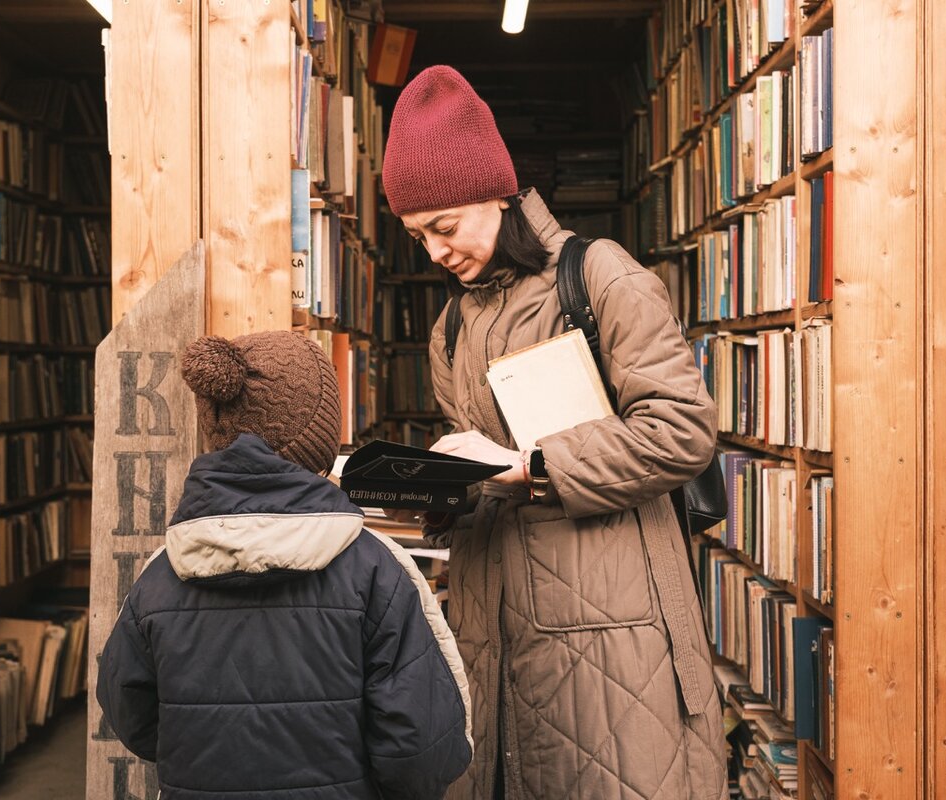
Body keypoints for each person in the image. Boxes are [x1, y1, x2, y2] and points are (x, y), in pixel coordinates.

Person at [380, 65, 728, 799]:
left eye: (444, 227)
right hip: (495, 637)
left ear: (500, 195)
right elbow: (490, 480)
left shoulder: (600, 276)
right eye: (418, 238)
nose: (436, 253)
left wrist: (527, 466)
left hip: (614, 634)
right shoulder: (449, 330)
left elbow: (681, 429)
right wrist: (438, 496)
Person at [96, 331, 473, 800]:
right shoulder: (376, 566)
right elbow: (424, 744)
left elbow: (128, 711)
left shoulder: (163, 570)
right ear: (319, 443)